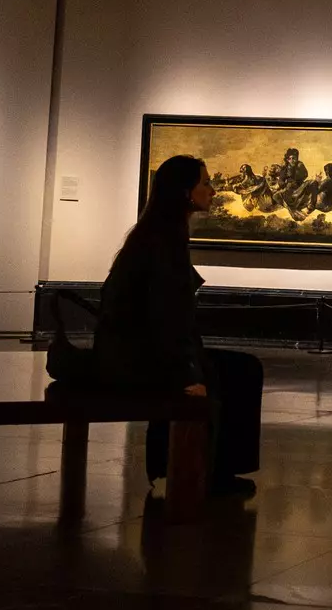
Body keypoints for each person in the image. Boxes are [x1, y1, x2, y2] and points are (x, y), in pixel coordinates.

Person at [95, 154, 263, 499]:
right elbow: (165, 319)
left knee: (241, 369)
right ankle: (205, 473)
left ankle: (204, 466)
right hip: (138, 360)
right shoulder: (163, 242)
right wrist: (188, 375)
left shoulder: (159, 234)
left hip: (138, 352)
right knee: (235, 373)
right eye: (205, 183)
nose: (213, 190)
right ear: (186, 192)